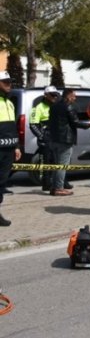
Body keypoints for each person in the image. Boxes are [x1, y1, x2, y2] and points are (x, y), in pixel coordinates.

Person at [48, 88, 90, 196]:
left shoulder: (54, 106)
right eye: (74, 96)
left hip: (54, 139)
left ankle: (54, 187)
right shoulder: (68, 106)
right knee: (62, 165)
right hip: (65, 140)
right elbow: (75, 122)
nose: (75, 98)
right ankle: (59, 188)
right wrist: (89, 125)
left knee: (57, 165)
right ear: (68, 96)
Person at [29, 85, 60, 191]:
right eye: (52, 95)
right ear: (46, 95)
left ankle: (59, 183)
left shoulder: (56, 105)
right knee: (45, 161)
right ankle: (46, 184)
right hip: (45, 137)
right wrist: (42, 137)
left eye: (56, 95)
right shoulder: (38, 107)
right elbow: (33, 125)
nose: (54, 97)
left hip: (56, 137)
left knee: (56, 161)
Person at [0, 72, 21, 226]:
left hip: (8, 149)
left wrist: (17, 147)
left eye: (10, 81)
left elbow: (12, 127)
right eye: (5, 81)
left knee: (2, 182)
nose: (9, 84)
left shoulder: (10, 103)